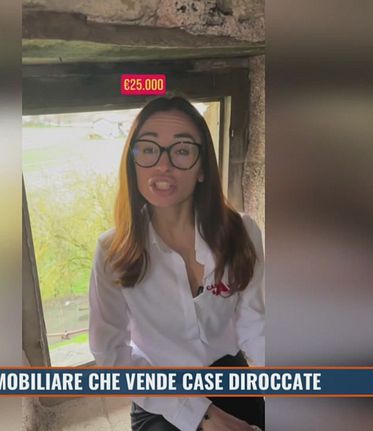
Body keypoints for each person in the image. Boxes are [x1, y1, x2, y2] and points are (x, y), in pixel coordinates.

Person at [88, 96, 265, 431]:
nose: (163, 165)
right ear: (133, 165)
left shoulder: (241, 232)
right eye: (148, 149)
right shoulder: (112, 251)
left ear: (202, 169)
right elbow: (110, 355)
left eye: (182, 151)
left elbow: (255, 326)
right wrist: (203, 414)